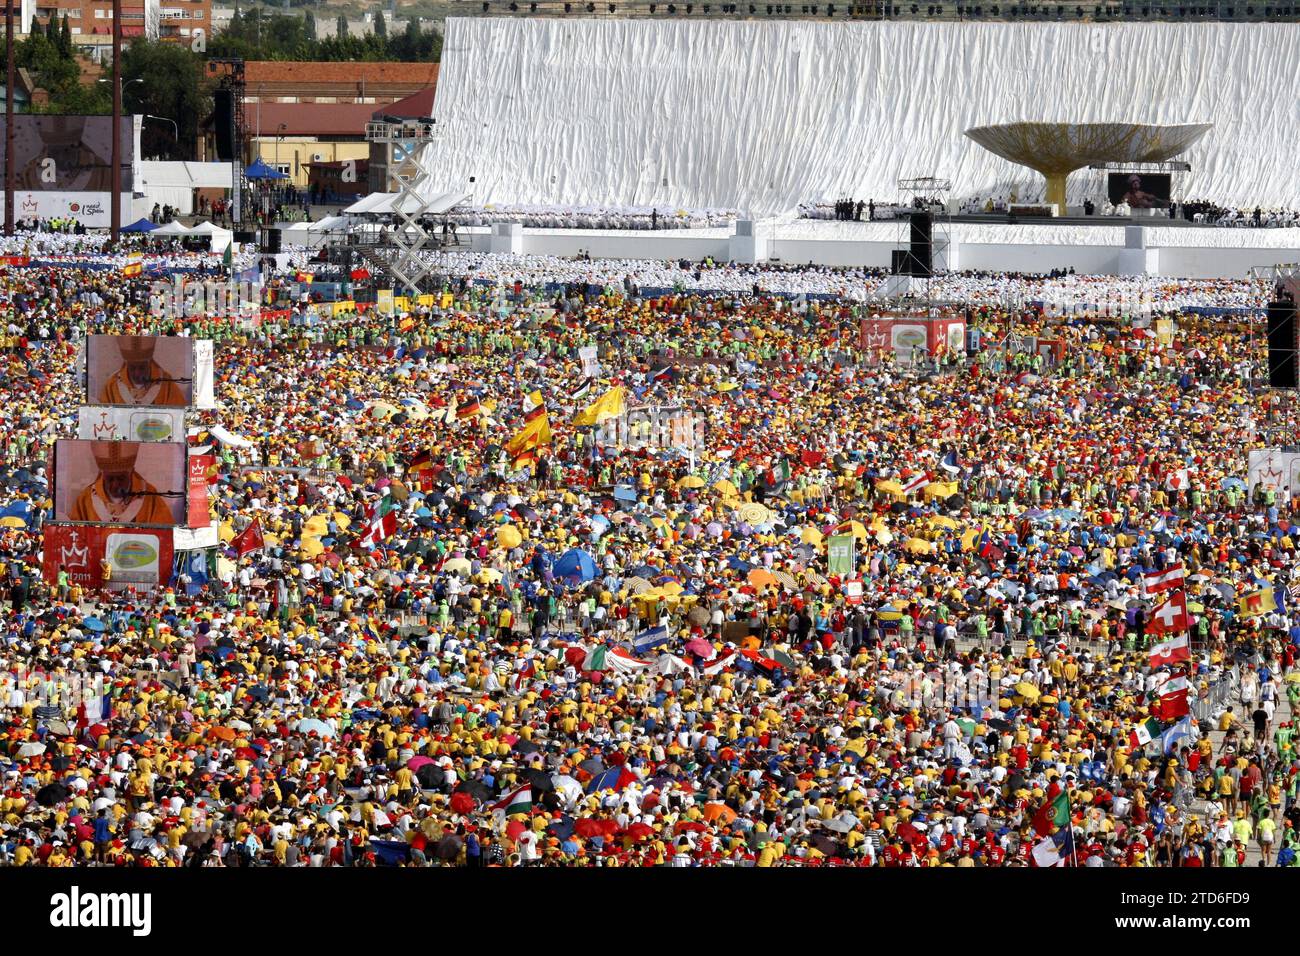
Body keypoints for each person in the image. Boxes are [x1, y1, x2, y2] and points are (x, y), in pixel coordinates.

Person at [68, 441, 177, 525]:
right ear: (103, 474)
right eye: (110, 479)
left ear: (131, 472)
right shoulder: (85, 499)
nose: (115, 484)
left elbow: (164, 534)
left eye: (121, 478)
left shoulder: (149, 497)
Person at [97, 335, 187, 406]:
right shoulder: (112, 385)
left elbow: (178, 415)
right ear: (127, 364)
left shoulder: (166, 383)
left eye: (142, 367)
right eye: (132, 367)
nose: (137, 373)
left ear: (149, 363)